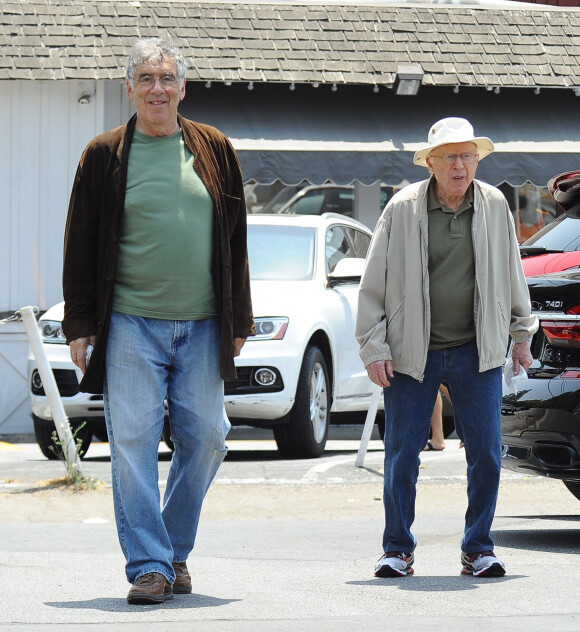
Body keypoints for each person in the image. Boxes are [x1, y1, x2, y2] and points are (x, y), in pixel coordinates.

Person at [62, 37, 254, 604]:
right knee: (133, 443)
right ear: (129, 88)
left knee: (210, 436)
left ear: (183, 87)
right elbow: (80, 243)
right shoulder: (103, 154)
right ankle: (149, 564)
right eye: (146, 79)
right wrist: (80, 324)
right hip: (129, 324)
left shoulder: (214, 149)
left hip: (200, 324)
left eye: (167, 78)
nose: (157, 89)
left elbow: (236, 240)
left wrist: (239, 317)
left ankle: (172, 549)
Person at [356, 117, 538, 578]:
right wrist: (374, 346)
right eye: (450, 157)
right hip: (412, 352)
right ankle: (397, 549)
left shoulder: (494, 204)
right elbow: (372, 281)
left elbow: (512, 271)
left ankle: (478, 547)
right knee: (401, 454)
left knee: (487, 454)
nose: (460, 165)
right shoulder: (402, 208)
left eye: (467, 156)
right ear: (431, 162)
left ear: (477, 159)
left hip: (478, 349)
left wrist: (520, 334)